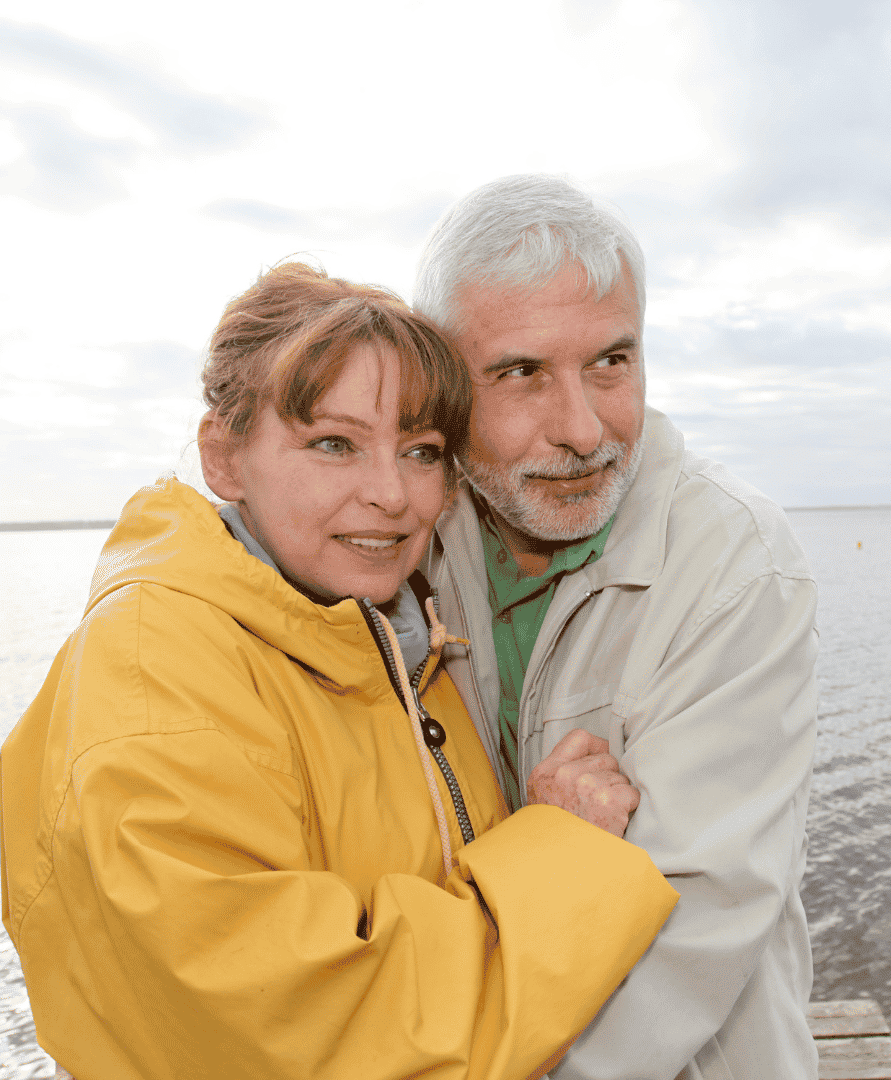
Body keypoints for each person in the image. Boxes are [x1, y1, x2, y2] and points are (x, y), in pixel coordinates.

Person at [0, 263, 679, 1080]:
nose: (392, 495)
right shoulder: (155, 680)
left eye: (422, 451)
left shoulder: (377, 635)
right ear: (224, 455)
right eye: (333, 444)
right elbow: (317, 1039)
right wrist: (564, 854)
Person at [413, 176, 820, 1080]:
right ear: (440, 385)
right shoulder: (405, 547)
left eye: (612, 361)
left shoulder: (734, 564)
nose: (584, 427)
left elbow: (691, 923)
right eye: (521, 373)